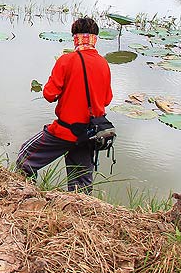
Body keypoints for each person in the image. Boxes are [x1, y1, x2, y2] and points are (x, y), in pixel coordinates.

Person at [16, 17, 113, 192]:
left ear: (75, 37)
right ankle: (78, 214)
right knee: (81, 184)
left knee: (25, 157)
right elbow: (106, 100)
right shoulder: (104, 64)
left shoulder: (66, 60)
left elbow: (49, 94)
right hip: (90, 133)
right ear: (95, 38)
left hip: (64, 131)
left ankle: (25, 196)